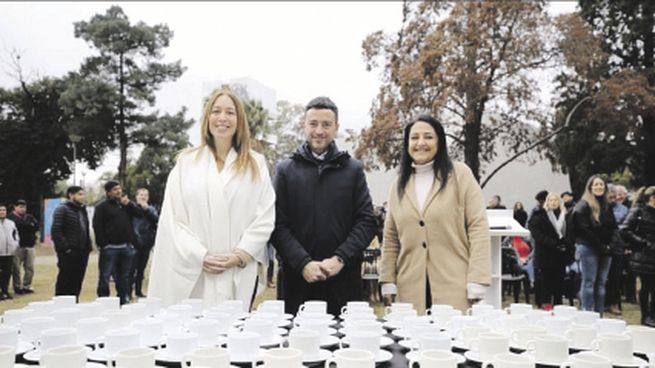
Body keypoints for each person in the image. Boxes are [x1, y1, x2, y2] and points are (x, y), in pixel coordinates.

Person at [148, 89, 275, 310]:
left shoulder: (256, 164)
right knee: (194, 333)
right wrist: (200, 255)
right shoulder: (186, 163)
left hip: (237, 269)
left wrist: (240, 254)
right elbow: (172, 220)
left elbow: (265, 216)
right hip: (196, 268)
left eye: (230, 112)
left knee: (231, 332)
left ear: (239, 120)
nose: (222, 118)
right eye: (216, 111)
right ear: (207, 118)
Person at [271, 96, 376, 316]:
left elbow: (366, 222)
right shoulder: (285, 170)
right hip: (296, 283)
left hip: (342, 282)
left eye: (326, 125)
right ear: (304, 126)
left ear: (336, 128)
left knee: (344, 348)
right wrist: (303, 263)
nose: (319, 130)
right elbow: (277, 225)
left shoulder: (353, 170)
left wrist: (340, 259)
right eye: (313, 124)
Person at [379, 114, 490, 313]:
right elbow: (391, 238)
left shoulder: (460, 175)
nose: (421, 143)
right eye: (414, 138)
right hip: (409, 290)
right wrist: (388, 280)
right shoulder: (398, 185)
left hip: (454, 286)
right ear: (407, 144)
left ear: (440, 141)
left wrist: (477, 279)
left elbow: (478, 226)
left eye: (428, 137)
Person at [571, 175, 618, 314]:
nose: (599, 187)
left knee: (602, 283)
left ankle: (599, 314)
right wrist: (601, 246)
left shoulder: (607, 205)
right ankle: (587, 313)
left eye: (601, 185)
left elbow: (614, 227)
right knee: (589, 282)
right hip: (588, 248)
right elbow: (584, 230)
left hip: (606, 249)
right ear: (590, 187)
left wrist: (611, 245)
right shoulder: (583, 206)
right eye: (596, 184)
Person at [93, 180, 141, 305]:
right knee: (105, 276)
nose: (119, 191)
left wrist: (130, 204)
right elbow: (97, 227)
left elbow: (140, 214)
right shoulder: (101, 207)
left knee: (124, 276)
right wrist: (104, 244)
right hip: (110, 248)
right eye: (115, 189)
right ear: (108, 193)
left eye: (119, 189)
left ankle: (123, 299)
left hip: (126, 247)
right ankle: (104, 300)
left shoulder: (126, 205)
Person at [528, 192, 571, 310]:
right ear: (547, 202)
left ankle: (558, 303)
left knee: (559, 280)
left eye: (556, 200)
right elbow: (537, 233)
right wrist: (553, 243)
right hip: (545, 253)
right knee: (546, 280)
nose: (554, 202)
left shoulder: (565, 215)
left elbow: (569, 232)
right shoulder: (540, 215)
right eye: (551, 200)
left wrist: (565, 244)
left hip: (560, 254)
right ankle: (545, 302)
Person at [620, 186, 655, 326]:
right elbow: (625, 230)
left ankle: (652, 315)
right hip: (644, 256)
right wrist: (644, 243)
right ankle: (646, 316)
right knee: (647, 286)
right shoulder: (638, 211)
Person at [51, 186, 92, 300]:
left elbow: (86, 229)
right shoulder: (62, 209)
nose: (82, 197)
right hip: (69, 252)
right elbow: (56, 231)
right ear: (71, 195)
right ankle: (61, 303)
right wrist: (65, 249)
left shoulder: (82, 210)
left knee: (77, 279)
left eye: (83, 194)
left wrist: (88, 247)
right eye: (79, 194)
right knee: (65, 279)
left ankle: (75, 302)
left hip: (82, 251)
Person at [129, 188, 159, 298]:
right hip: (134, 243)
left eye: (145, 195)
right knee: (131, 269)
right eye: (141, 195)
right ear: (136, 196)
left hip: (146, 243)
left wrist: (146, 209)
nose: (143, 197)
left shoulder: (151, 209)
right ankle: (128, 292)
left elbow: (156, 220)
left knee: (141, 269)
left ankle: (138, 291)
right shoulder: (132, 208)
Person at [606, 184, 630, 315]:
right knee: (602, 276)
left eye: (614, 195)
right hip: (603, 245)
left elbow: (625, 227)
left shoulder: (624, 209)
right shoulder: (601, 208)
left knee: (616, 276)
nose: (613, 197)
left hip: (618, 245)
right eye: (610, 195)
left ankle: (613, 302)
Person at [8, 199, 39, 294]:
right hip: (17, 247)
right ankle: (17, 286)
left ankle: (27, 285)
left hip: (29, 245)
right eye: (20, 207)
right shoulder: (10, 218)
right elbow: (17, 227)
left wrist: (27, 225)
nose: (23, 209)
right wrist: (28, 225)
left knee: (29, 267)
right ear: (15, 207)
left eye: (24, 207)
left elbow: (36, 226)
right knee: (16, 268)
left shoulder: (29, 217)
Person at [0, 205, 19, 300]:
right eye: (0, 210)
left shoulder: (11, 223)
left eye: (4, 210)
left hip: (9, 253)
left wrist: (15, 245)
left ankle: (5, 291)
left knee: (7, 273)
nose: (2, 212)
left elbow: (16, 235)